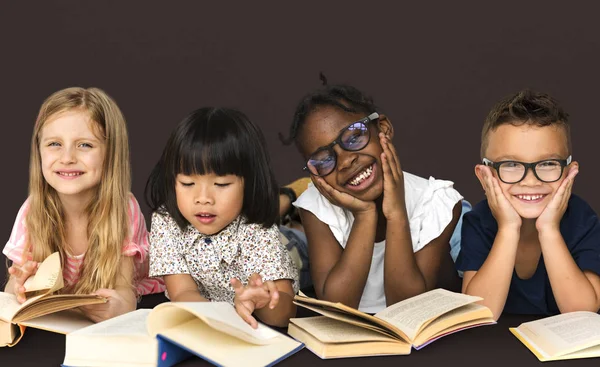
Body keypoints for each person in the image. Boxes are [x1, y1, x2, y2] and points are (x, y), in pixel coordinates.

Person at [282, 81, 466, 313]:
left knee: (468, 235)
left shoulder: (437, 203)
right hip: (328, 219)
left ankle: (288, 202)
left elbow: (407, 308)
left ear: (383, 128)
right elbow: (336, 306)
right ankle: (290, 209)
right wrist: (365, 214)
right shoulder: (316, 207)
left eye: (354, 137)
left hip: (438, 220)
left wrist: (397, 213)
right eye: (324, 160)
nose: (346, 161)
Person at [3, 87, 164, 322]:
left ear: (110, 154)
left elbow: (125, 293)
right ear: (39, 151)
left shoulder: (123, 209)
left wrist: (116, 307)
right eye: (54, 144)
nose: (67, 157)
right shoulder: (32, 211)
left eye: (85, 145)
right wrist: (20, 285)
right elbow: (9, 293)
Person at [145, 107, 298, 328]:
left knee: (298, 245)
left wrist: (264, 301)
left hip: (291, 247)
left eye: (221, 184)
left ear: (250, 182)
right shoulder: (166, 221)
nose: (203, 198)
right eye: (188, 184)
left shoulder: (258, 230)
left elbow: (286, 313)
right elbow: (183, 292)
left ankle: (291, 200)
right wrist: (220, 321)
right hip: (222, 304)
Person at [456, 89, 600, 320]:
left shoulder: (583, 220)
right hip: (494, 350)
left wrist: (549, 229)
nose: (530, 181)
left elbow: (582, 312)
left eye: (548, 164)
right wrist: (508, 228)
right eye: (511, 165)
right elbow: (480, 312)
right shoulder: (479, 221)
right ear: (485, 177)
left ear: (569, 173)